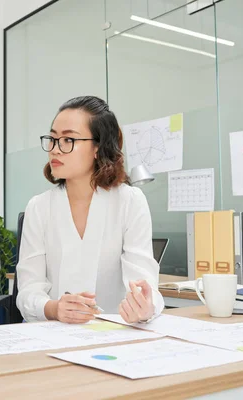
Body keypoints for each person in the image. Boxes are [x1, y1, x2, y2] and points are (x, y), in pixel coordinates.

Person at [16, 95, 164, 324]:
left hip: (112, 336)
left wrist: (145, 308)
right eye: (53, 139)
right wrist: (54, 308)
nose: (55, 149)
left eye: (68, 140)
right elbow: (28, 290)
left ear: (98, 147)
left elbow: (145, 284)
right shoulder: (39, 207)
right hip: (49, 336)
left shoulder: (130, 201)